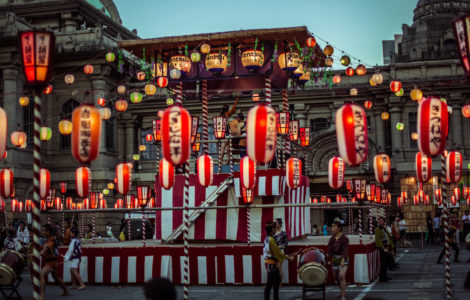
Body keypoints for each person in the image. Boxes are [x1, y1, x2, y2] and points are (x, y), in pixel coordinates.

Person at [264, 221, 294, 300]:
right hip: (272, 264)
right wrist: (288, 257)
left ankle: (275, 297)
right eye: (274, 227)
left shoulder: (267, 238)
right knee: (270, 284)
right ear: (272, 229)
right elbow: (277, 252)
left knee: (275, 282)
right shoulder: (271, 240)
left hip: (270, 262)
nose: (275, 229)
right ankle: (269, 298)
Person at [40, 224, 69, 299]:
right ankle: (66, 291)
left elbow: (48, 246)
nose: (43, 232)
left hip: (51, 262)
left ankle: (42, 295)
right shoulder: (50, 238)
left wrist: (43, 251)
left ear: (48, 231)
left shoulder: (51, 238)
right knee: (56, 278)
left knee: (42, 274)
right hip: (53, 261)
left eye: (44, 230)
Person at [326, 221, 349, 300]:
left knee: (341, 276)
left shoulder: (344, 238)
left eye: (334, 226)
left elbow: (345, 250)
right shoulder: (332, 239)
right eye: (332, 226)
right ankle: (341, 291)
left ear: (339, 228)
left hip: (343, 258)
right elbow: (329, 250)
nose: (332, 228)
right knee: (336, 278)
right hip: (335, 259)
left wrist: (343, 259)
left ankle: (343, 295)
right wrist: (326, 256)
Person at [219, 98, 239, 164]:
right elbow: (233, 109)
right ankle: (226, 161)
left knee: (225, 148)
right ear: (227, 110)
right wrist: (236, 100)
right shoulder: (227, 115)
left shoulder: (220, 116)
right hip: (226, 133)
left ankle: (224, 161)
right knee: (226, 148)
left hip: (222, 133)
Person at [375, 216, 394, 282]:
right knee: (383, 263)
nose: (381, 222)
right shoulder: (377, 229)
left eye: (382, 220)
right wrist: (383, 248)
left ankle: (385, 276)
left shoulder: (384, 229)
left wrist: (391, 246)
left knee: (386, 263)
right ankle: (382, 277)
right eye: (379, 220)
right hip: (383, 248)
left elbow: (389, 236)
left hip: (387, 247)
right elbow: (378, 240)